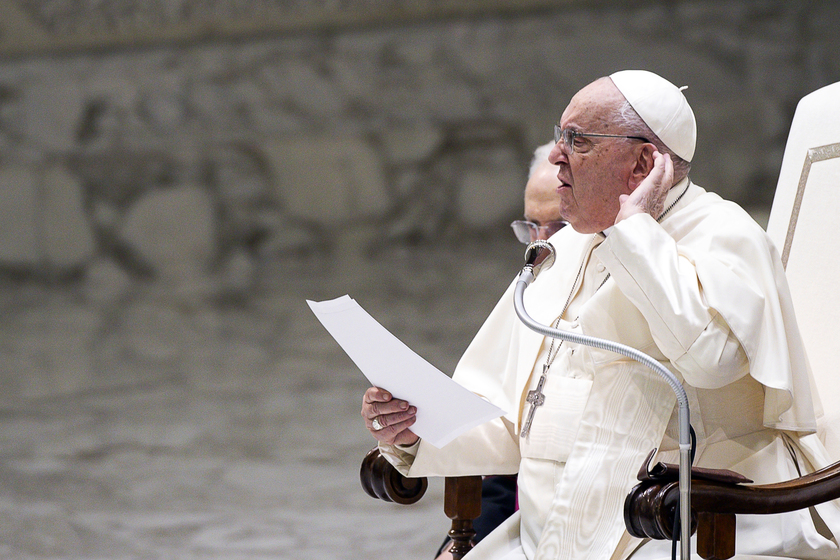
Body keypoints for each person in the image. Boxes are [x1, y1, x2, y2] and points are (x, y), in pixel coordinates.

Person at [361, 70, 840, 560]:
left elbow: (709, 360)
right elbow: (507, 420)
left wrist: (634, 232)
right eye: (559, 136)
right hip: (552, 532)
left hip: (690, 525)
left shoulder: (727, 235)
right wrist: (415, 429)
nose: (555, 155)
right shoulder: (565, 248)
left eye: (578, 140)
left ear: (644, 162)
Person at [435, 142, 566, 560]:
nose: (539, 246)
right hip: (521, 527)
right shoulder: (529, 299)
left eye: (560, 228)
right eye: (531, 227)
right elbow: (502, 477)